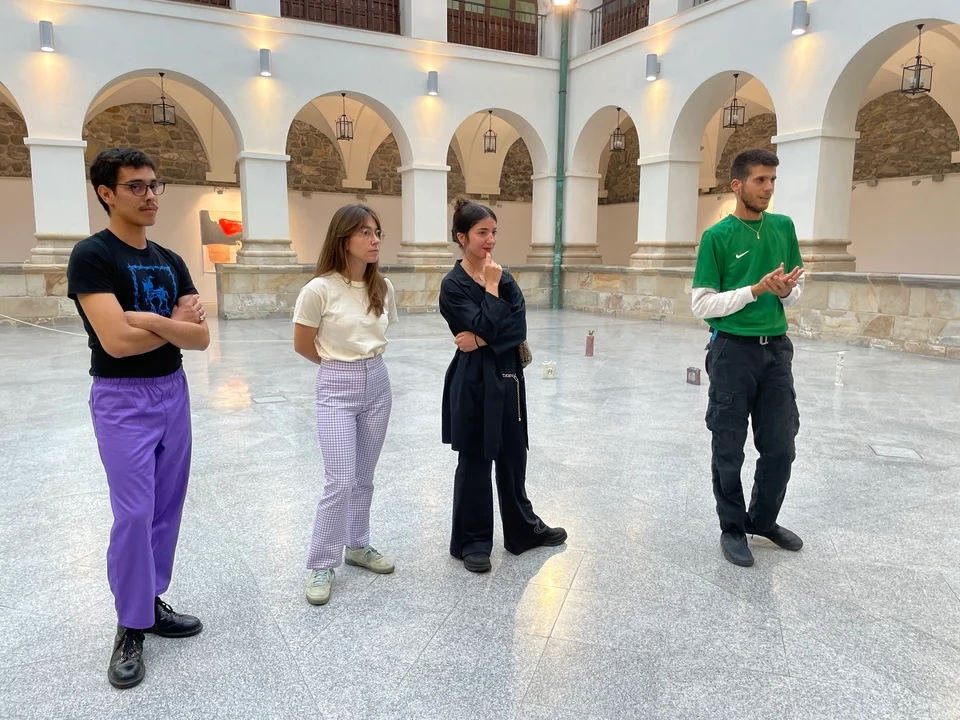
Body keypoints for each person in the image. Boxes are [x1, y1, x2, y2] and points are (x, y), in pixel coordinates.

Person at [66, 148, 209, 689]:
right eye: (136, 186)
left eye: (154, 185)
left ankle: (149, 602)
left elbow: (201, 337)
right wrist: (172, 322)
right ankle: (130, 624)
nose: (150, 195)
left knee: (166, 508)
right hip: (121, 398)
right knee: (134, 512)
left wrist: (152, 319)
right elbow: (117, 343)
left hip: (173, 391)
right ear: (107, 193)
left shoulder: (170, 259)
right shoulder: (93, 256)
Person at [691, 148, 805, 568]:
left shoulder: (783, 227)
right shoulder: (717, 237)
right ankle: (733, 527)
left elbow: (796, 289)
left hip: (776, 350)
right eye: (760, 180)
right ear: (737, 185)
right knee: (729, 447)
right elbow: (702, 304)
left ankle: (763, 520)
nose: (768, 188)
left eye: (772, 180)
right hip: (732, 352)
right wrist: (755, 290)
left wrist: (786, 292)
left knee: (780, 446)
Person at [439, 198, 567, 573]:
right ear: (462, 237)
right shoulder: (453, 285)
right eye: (482, 232)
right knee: (476, 459)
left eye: (493, 232)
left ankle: (522, 530)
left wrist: (480, 338)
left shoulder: (504, 276)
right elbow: (489, 322)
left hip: (508, 377)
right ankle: (473, 540)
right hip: (473, 381)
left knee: (513, 455)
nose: (490, 240)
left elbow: (516, 328)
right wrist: (492, 290)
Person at [293, 204, 398, 606]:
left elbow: (378, 334)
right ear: (344, 239)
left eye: (377, 232)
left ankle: (357, 544)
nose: (375, 240)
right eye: (365, 232)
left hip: (378, 381)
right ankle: (322, 562)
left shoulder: (382, 287)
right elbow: (303, 344)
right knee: (340, 479)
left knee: (364, 476)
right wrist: (339, 368)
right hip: (337, 383)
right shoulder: (319, 289)